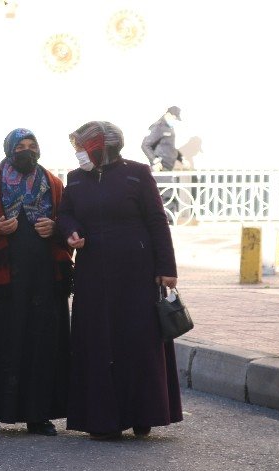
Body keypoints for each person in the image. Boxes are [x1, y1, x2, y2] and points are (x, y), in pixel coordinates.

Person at [58, 121, 182, 439]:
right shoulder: (74, 179)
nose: (80, 154)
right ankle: (101, 420)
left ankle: (142, 414)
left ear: (104, 146)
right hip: (92, 272)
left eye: (85, 147)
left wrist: (166, 267)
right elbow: (65, 213)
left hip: (136, 272)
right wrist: (71, 230)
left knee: (136, 339)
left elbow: (157, 221)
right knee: (96, 340)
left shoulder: (137, 174)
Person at [0, 129, 72, 436]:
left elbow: (70, 221)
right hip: (1, 280)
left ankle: (39, 415)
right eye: (20, 146)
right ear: (9, 150)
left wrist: (56, 227)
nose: (26, 151)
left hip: (43, 277)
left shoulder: (53, 183)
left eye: (31, 146)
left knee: (41, 342)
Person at [141, 106, 183, 171]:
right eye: (174, 118)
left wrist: (182, 158)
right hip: (161, 167)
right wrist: (155, 161)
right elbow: (145, 145)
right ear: (168, 114)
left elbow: (170, 147)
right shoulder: (158, 127)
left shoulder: (169, 128)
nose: (175, 121)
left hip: (168, 167)